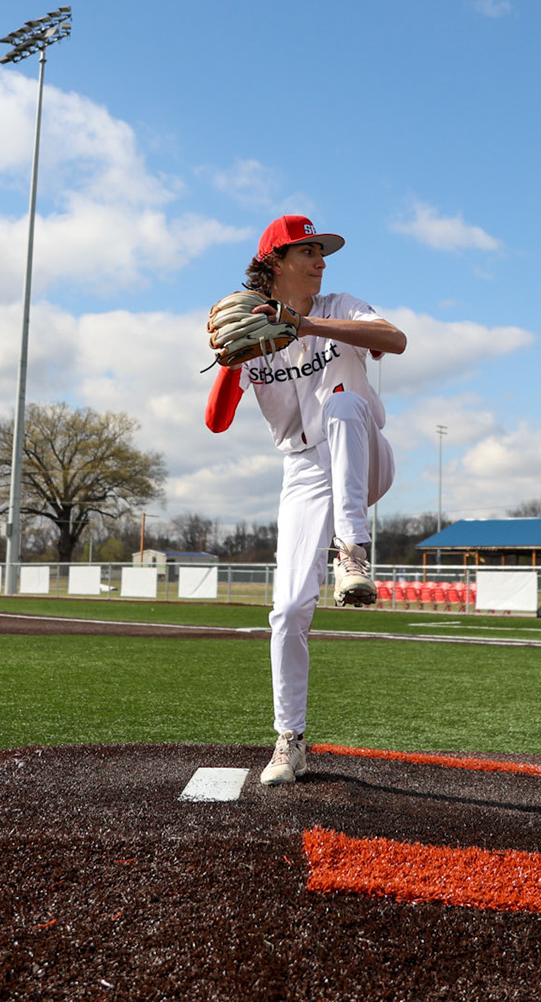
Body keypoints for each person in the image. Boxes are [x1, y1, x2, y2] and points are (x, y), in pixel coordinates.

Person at [204, 215, 405, 787]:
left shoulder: (338, 305)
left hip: (365, 452)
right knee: (288, 610)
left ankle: (352, 553)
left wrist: (306, 323)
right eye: (308, 252)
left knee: (342, 404)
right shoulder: (253, 329)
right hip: (303, 472)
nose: (321, 261)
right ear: (274, 262)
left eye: (322, 252)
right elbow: (216, 422)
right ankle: (289, 741)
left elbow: (396, 339)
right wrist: (231, 362)